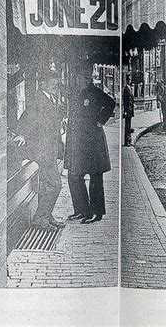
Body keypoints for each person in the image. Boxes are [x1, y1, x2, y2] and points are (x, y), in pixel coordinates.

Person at [14, 67, 65, 231]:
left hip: (49, 148)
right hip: (43, 150)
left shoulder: (50, 98)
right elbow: (28, 117)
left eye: (56, 82)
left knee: (45, 185)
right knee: (55, 185)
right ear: (42, 83)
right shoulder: (38, 99)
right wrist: (22, 134)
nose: (55, 85)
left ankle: (46, 215)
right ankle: (40, 218)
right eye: (51, 82)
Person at [65, 61, 116, 224]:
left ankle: (96, 212)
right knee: (74, 175)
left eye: (82, 77)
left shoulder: (94, 92)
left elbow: (111, 103)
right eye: (77, 77)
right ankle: (81, 210)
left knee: (95, 176)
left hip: (93, 141)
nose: (78, 80)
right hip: (77, 141)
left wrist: (101, 120)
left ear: (87, 79)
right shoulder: (74, 93)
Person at [122, 75, 134, 145]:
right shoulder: (126, 89)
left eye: (130, 79)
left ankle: (129, 140)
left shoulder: (129, 88)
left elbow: (131, 99)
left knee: (129, 125)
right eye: (129, 79)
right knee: (127, 126)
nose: (130, 81)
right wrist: (125, 111)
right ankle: (126, 141)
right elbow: (125, 101)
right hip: (127, 110)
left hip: (130, 110)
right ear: (127, 80)